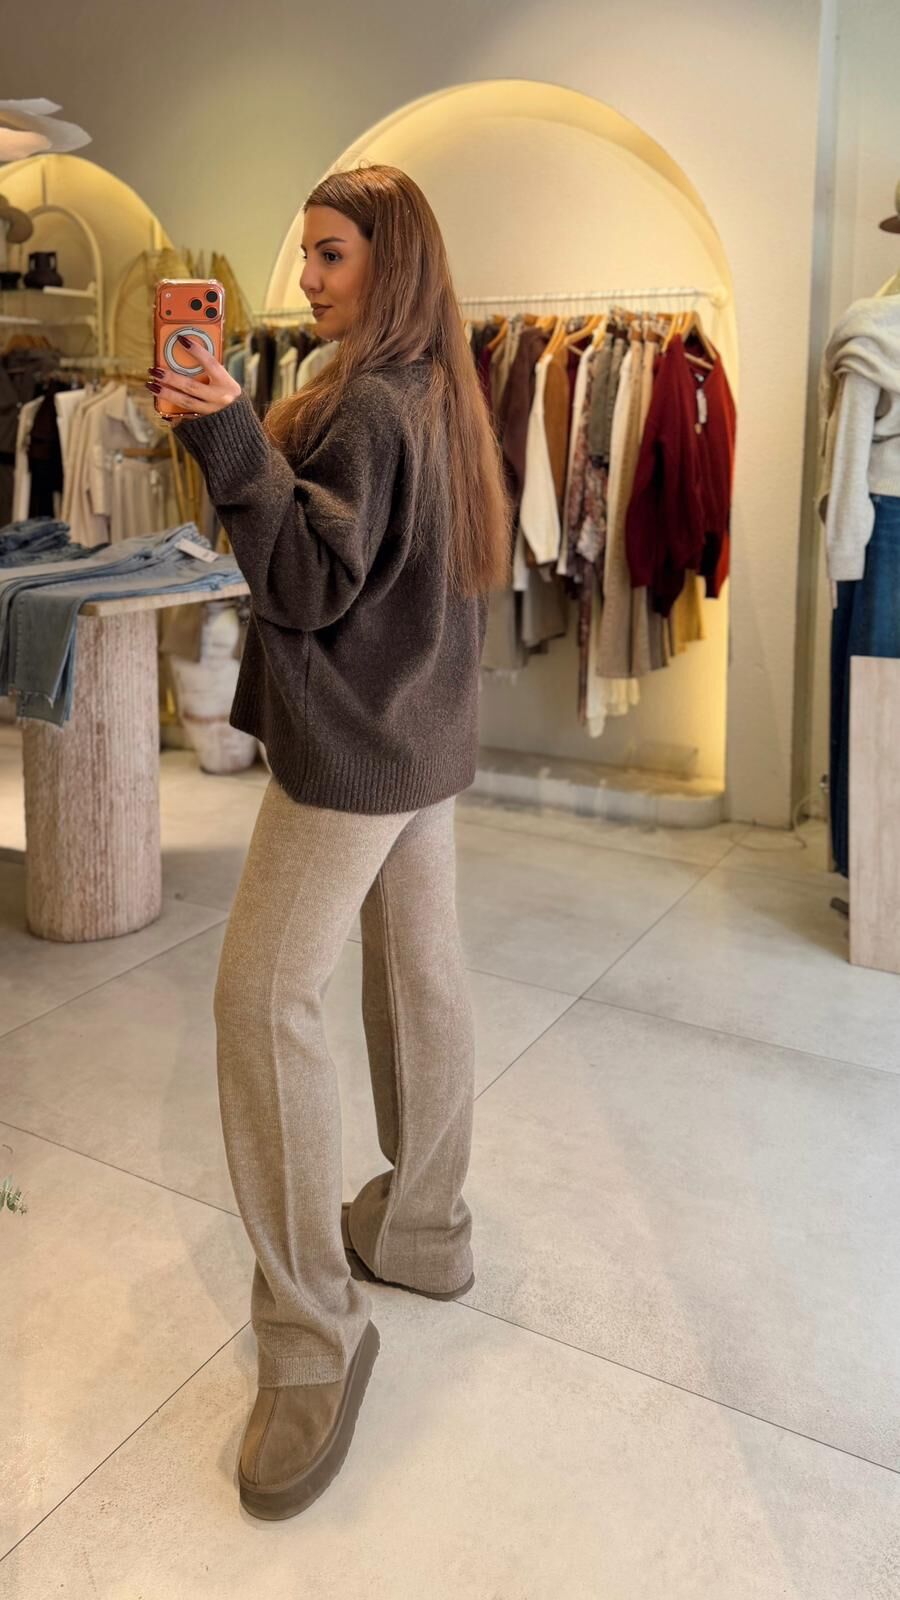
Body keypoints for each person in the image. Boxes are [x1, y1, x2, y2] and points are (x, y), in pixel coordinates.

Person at [146, 164, 511, 1522]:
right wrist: (238, 428)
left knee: (261, 998)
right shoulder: (438, 384)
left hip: (358, 745)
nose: (307, 277)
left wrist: (230, 436)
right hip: (424, 736)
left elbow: (304, 581)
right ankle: (423, 1229)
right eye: (304, 253)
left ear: (390, 258)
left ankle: (312, 1339)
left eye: (333, 253)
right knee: (419, 970)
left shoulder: (366, 400)